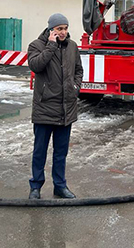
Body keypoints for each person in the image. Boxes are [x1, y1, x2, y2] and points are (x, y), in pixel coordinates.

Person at [27, 13, 83, 200]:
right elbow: (36, 65)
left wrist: (75, 87)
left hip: (66, 109)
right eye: (59, 29)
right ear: (51, 29)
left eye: (65, 28)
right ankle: (35, 187)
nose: (63, 32)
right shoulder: (36, 45)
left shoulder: (72, 47)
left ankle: (60, 186)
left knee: (61, 153)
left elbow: (78, 70)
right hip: (45, 108)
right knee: (39, 151)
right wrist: (51, 46)